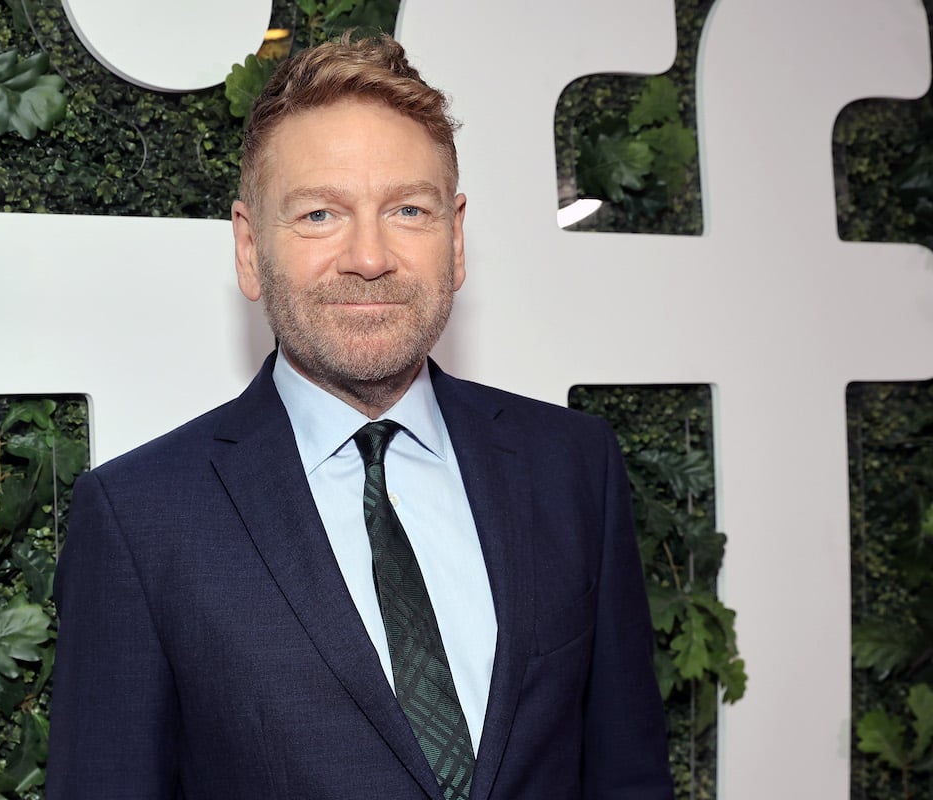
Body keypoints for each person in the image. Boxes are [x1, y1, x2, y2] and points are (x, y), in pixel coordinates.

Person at [47, 34, 672, 800]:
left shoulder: (572, 464)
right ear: (250, 248)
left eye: (408, 209)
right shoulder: (141, 520)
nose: (369, 257)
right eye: (318, 214)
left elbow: (628, 776)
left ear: (455, 236)